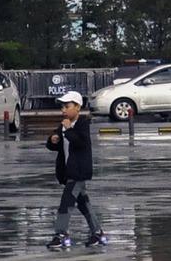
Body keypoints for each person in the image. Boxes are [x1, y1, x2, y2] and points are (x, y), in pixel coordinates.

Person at [44, 91, 107, 249]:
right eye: (62, 107)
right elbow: (55, 146)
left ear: (77, 107)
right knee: (83, 203)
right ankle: (98, 233)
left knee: (66, 203)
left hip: (78, 173)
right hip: (68, 172)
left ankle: (61, 234)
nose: (63, 110)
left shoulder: (81, 124)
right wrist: (52, 140)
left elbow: (81, 143)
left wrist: (69, 130)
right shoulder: (64, 125)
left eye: (67, 106)